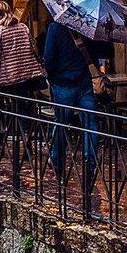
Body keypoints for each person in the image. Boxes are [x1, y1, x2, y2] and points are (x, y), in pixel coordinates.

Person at [43, 18, 101, 185]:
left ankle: (57, 160)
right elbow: (97, 54)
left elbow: (48, 57)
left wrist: (53, 79)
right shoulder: (88, 26)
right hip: (84, 82)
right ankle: (90, 163)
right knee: (90, 124)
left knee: (61, 123)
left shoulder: (55, 28)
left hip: (63, 83)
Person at [0, 1, 44, 99]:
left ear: (1, 14)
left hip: (6, 80)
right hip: (25, 78)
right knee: (24, 109)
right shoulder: (23, 27)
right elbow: (33, 49)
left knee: (7, 111)